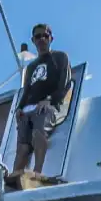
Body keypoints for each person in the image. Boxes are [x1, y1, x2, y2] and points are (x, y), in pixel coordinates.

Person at [12, 23, 71, 175]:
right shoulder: (31, 67)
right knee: (22, 146)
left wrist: (49, 99)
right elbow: (27, 90)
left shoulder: (60, 57)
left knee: (38, 134)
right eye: (38, 36)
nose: (42, 39)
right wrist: (19, 107)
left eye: (45, 35)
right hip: (27, 110)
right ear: (33, 40)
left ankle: (37, 173)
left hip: (46, 107)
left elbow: (65, 83)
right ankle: (15, 176)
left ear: (51, 38)